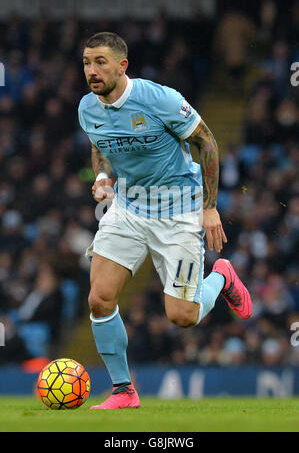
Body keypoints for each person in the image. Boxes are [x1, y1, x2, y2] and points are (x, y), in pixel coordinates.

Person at [78, 32, 252, 410]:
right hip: (129, 207)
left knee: (182, 316)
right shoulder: (87, 108)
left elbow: (206, 142)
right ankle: (124, 391)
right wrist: (104, 177)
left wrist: (209, 207)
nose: (92, 71)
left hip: (178, 209)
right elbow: (100, 147)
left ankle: (221, 275)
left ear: (122, 65)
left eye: (100, 62)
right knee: (99, 298)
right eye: (87, 63)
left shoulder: (159, 99)